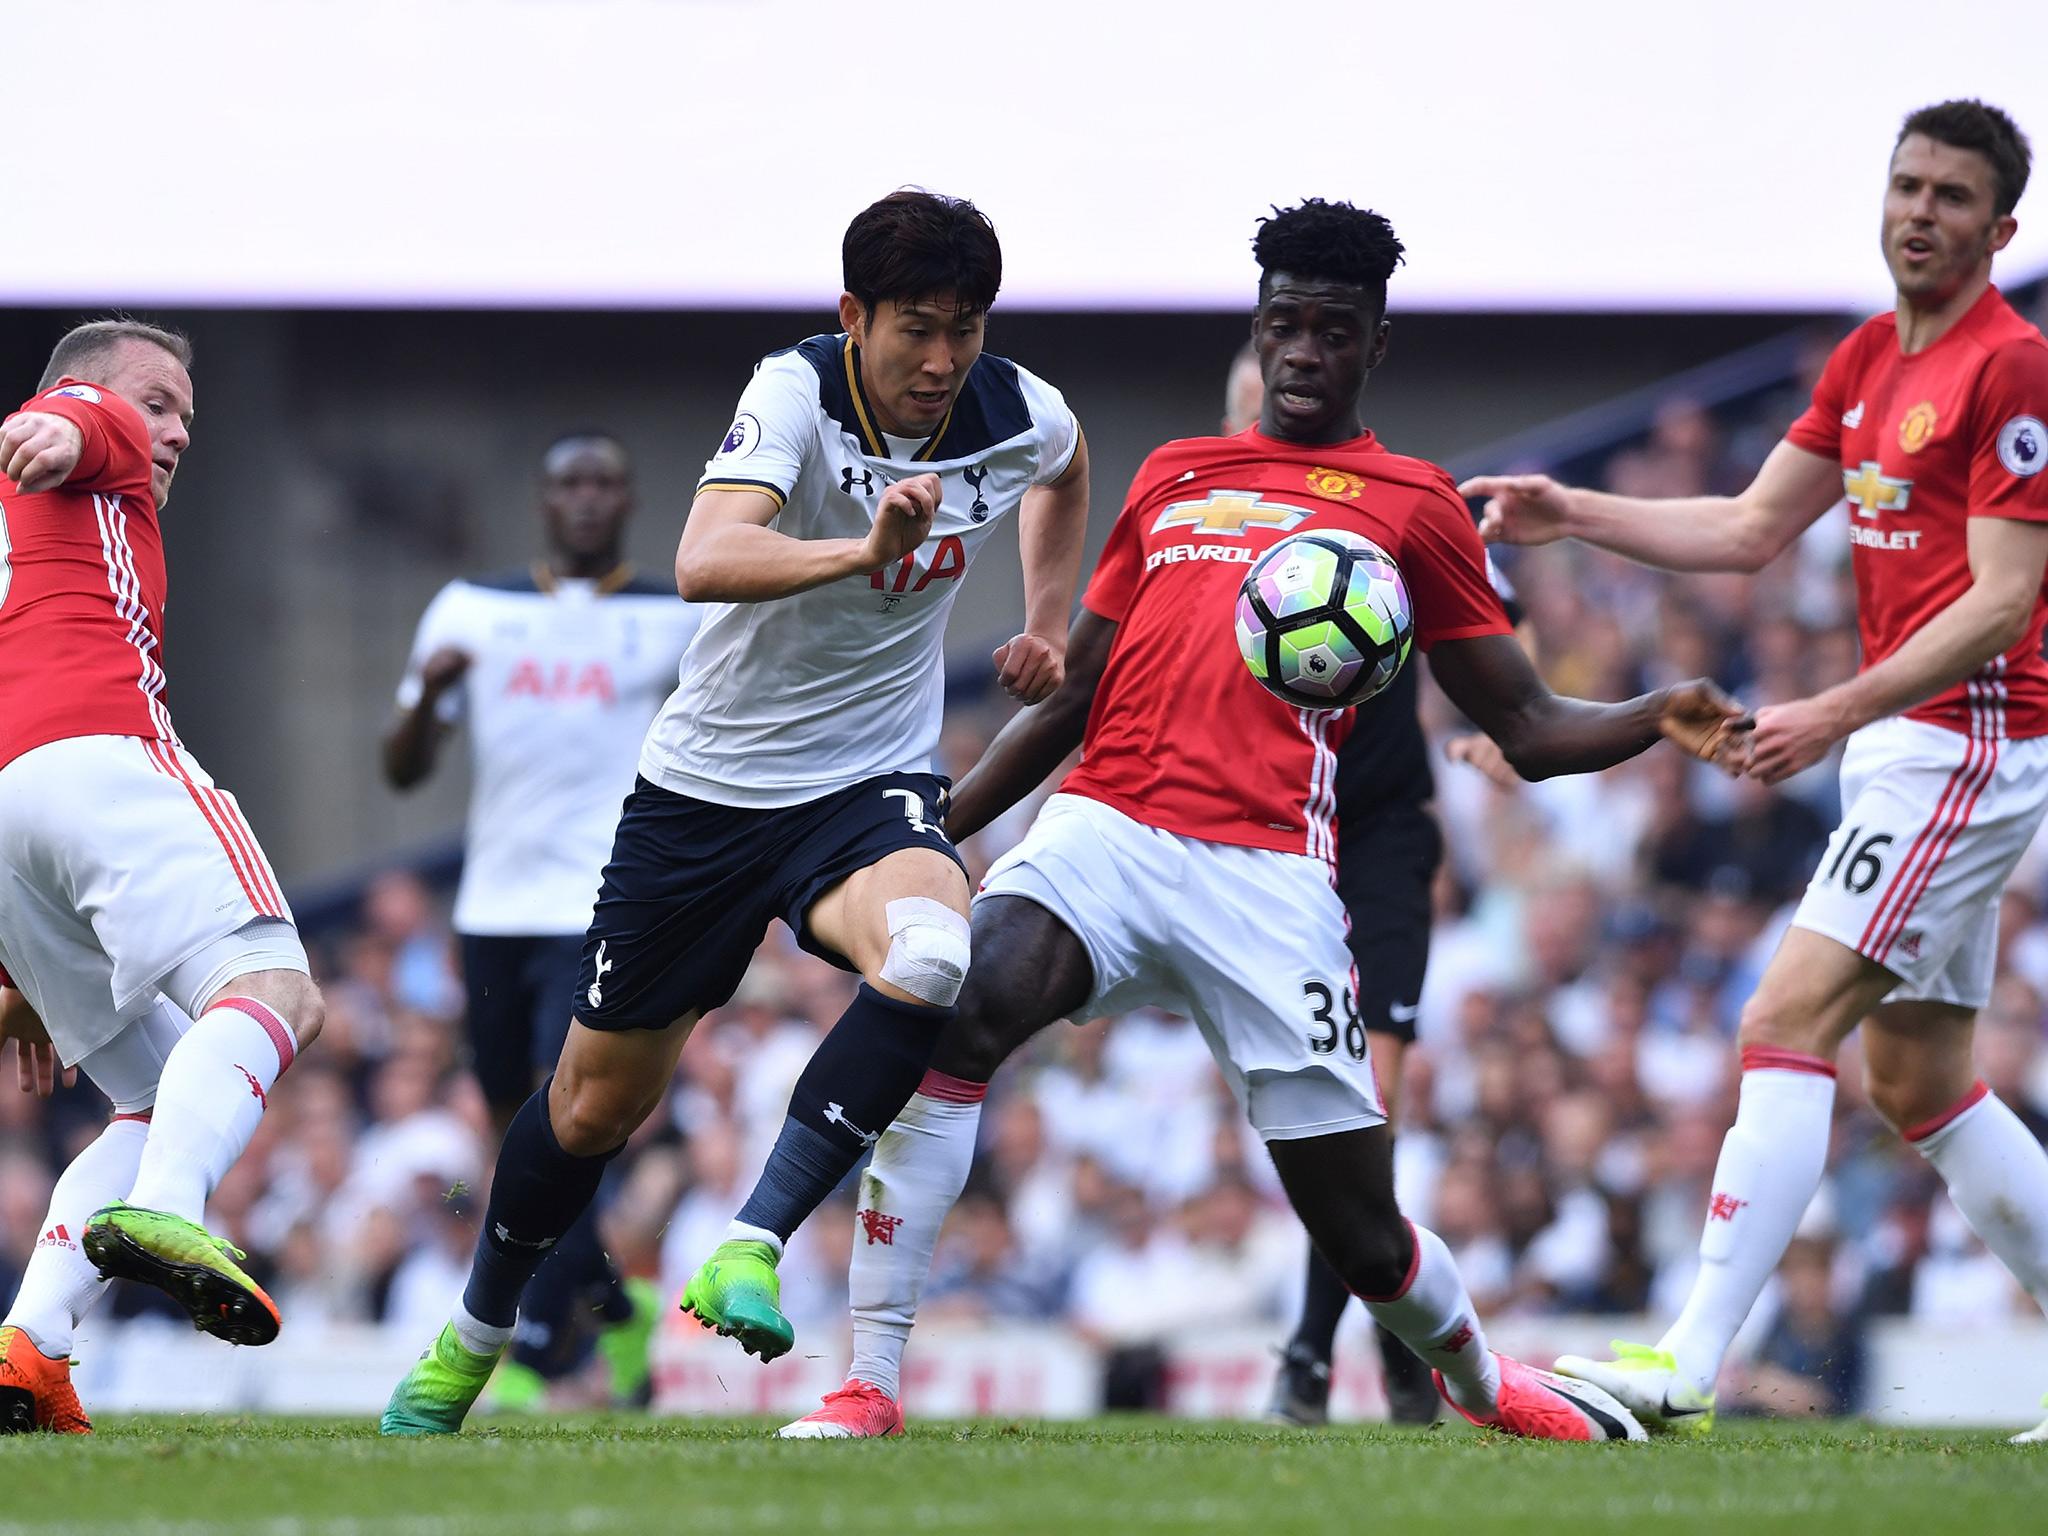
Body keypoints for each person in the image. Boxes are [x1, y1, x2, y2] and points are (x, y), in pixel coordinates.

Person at [779, 197, 1745, 1441]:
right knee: (956, 1013)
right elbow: (1073, 691)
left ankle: (1481, 1380)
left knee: (1356, 1228)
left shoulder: (1413, 505)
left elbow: (1527, 730)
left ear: (1372, 345)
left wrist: (1655, 708)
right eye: (1283, 326)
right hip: (1105, 831)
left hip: (1266, 875)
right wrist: (932, 835)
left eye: (1331, 332)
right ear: (1257, 328)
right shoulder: (1175, 474)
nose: (1302, 353)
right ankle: (869, 1382)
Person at [381, 189, 1090, 1435]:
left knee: (933, 947)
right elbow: (707, 558)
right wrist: (861, 550)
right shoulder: (796, 393)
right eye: (915, 328)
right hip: (705, 795)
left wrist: (1042, 619)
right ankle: (475, 1331)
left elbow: (1066, 467)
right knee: (594, 1107)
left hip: (866, 783)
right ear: (851, 315)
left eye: (964, 330)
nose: (940, 361)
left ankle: (747, 1243)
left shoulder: (1014, 410)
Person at [1464, 99, 2048, 1441]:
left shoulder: (2010, 369)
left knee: (1782, 1022)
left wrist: (1833, 708)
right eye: (1908, 186)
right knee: (1918, 1086)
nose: (1922, 212)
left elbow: (2008, 601)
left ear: (2001, 229)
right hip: (1910, 745)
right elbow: (1744, 529)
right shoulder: (1862, 359)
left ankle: (1689, 1357)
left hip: (1968, 747)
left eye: (1955, 197)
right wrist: (1573, 515)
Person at [0, 320, 326, 1432]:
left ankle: (31, 1349)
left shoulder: (24, 530)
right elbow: (67, 420)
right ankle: (172, 1210)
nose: (177, 428)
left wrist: (18, 961)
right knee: (275, 991)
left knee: (146, 1094)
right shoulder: (99, 444)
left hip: (9, 816)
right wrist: (54, 424)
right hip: (103, 755)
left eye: (188, 411)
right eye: (162, 400)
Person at [1212, 346, 1525, 1428]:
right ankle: (1396, 1342)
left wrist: (1500, 728)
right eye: (1256, 408)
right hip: (1258, 835)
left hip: (1379, 838)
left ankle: (1308, 1352)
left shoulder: (1392, 505)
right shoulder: (1201, 524)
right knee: (1308, 1107)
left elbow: (1492, 620)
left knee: (1362, 1100)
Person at [383, 431, 699, 1409]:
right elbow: (400, 769)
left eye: (606, 481)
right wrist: (431, 693)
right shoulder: (473, 609)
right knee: (508, 1136)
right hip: (492, 908)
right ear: (542, 499)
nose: (588, 498)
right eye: (570, 482)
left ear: (631, 498)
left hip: (600, 903)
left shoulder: (674, 614)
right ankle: (615, 1305)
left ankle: (525, 1354)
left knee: (563, 1122)